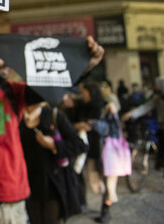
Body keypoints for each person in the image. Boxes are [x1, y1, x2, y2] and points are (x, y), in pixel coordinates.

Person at [0, 30, 104, 224]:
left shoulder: (13, 91)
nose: (7, 62)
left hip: (18, 197)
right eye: (0, 55)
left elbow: (51, 84)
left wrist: (85, 64)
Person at [20, 89, 86, 224]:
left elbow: (80, 145)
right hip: (27, 185)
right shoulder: (17, 118)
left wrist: (54, 145)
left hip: (53, 185)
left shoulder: (53, 115)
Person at [123, 76, 164, 196]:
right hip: (163, 128)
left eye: (157, 85)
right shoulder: (157, 99)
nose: (155, 87)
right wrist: (131, 114)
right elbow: (145, 107)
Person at [71, 80, 119, 223]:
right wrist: (77, 126)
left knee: (107, 181)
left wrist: (95, 124)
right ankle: (84, 204)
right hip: (86, 149)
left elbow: (113, 129)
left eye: (84, 91)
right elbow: (71, 123)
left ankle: (106, 209)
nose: (82, 94)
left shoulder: (104, 107)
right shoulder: (81, 107)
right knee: (93, 182)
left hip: (103, 150)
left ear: (90, 92)